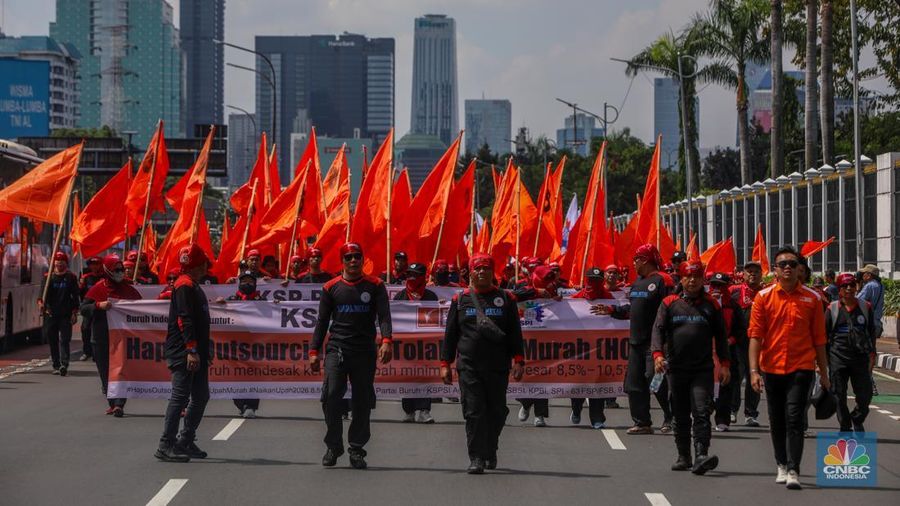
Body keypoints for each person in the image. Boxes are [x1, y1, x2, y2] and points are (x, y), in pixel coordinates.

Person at [748, 246, 830, 490]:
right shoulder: (763, 298)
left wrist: (824, 374)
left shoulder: (813, 299)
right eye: (782, 264)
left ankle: (794, 469)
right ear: (774, 269)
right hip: (772, 367)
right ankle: (781, 464)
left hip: (801, 367)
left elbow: (819, 339)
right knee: (777, 419)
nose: (787, 268)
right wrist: (754, 371)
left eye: (792, 264)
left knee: (795, 417)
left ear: (800, 270)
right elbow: (755, 336)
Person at [310, 242, 393, 469]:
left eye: (357, 256)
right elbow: (322, 322)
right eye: (349, 257)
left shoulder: (375, 285)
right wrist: (313, 351)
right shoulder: (330, 287)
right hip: (337, 350)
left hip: (364, 351)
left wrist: (387, 341)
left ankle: (356, 448)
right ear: (342, 261)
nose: (354, 260)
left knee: (362, 402)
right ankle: (333, 445)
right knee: (331, 397)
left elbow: (384, 316)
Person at [441, 253, 525, 474]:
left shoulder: (506, 299)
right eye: (477, 269)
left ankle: (491, 448)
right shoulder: (460, 300)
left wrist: (519, 360)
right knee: (474, 411)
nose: (481, 272)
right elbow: (450, 334)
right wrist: (445, 363)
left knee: (497, 411)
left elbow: (515, 333)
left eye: (486, 268)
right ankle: (477, 456)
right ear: (471, 273)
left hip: (498, 367)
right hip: (468, 366)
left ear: (492, 272)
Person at [652, 260, 731, 474]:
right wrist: (657, 355)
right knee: (679, 413)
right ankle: (683, 456)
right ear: (681, 278)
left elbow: (721, 337)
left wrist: (725, 364)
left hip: (703, 369)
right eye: (688, 276)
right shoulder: (669, 303)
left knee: (702, 411)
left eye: (697, 276)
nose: (692, 280)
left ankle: (701, 455)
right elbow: (658, 331)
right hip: (676, 369)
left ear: (702, 279)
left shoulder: (711, 305)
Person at [592, 244, 674, 434]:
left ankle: (672, 417)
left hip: (655, 343)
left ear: (644, 260)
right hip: (636, 343)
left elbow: (671, 308)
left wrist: (667, 341)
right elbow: (633, 309)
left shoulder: (664, 280)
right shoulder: (637, 282)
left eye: (636, 259)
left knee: (657, 381)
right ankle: (642, 422)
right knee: (633, 384)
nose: (634, 263)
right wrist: (613, 310)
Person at [155, 244, 213, 462]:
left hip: (196, 350)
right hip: (184, 352)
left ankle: (185, 440)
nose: (208, 266)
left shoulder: (191, 284)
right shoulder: (184, 286)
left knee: (200, 396)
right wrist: (191, 349)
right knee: (180, 397)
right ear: (198, 264)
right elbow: (184, 319)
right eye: (205, 262)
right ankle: (166, 444)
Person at [81, 255, 142, 416]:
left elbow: (142, 308)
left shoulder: (129, 289)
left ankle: (119, 404)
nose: (120, 273)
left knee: (121, 369)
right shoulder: (98, 288)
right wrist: (98, 305)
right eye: (117, 270)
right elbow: (84, 309)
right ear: (108, 270)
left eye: (122, 270)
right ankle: (112, 401)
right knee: (105, 371)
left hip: (123, 338)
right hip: (101, 337)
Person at [826, 273, 876, 433]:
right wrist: (821, 363)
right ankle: (845, 425)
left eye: (852, 285)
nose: (849, 289)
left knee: (865, 395)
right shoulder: (832, 309)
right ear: (839, 290)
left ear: (857, 287)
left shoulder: (865, 307)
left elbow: (871, 333)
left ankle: (857, 417)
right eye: (845, 286)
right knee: (838, 395)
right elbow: (823, 336)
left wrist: (872, 356)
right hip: (837, 358)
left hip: (860, 358)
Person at [514, 265, 559, 427]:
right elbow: (513, 296)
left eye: (549, 279)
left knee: (543, 375)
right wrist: (536, 293)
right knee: (528, 374)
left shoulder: (552, 286)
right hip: (525, 336)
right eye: (544, 279)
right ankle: (526, 403)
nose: (547, 283)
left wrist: (557, 301)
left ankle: (540, 415)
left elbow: (556, 305)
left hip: (546, 336)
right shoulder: (522, 284)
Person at [394, 263, 438, 423]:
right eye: (409, 274)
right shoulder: (400, 297)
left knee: (425, 376)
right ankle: (409, 410)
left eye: (415, 275)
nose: (411, 278)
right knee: (408, 376)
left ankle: (424, 410)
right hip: (406, 345)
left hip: (425, 345)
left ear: (423, 277)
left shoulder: (431, 297)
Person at [569, 267, 613, 429]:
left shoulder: (608, 298)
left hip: (601, 349)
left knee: (598, 384)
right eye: (591, 280)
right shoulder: (576, 298)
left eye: (597, 280)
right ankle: (576, 408)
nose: (593, 283)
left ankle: (597, 418)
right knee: (579, 383)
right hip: (580, 348)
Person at [219, 271, 266, 418]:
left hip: (254, 345)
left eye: (250, 281)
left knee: (253, 375)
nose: (247, 284)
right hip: (235, 346)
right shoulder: (232, 299)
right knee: (235, 376)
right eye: (244, 281)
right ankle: (241, 403)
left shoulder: (261, 300)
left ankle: (251, 405)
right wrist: (220, 304)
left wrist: (277, 305)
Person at [707, 272, 746, 432]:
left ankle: (723, 419)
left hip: (727, 352)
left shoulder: (733, 306)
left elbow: (741, 329)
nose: (718, 289)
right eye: (715, 285)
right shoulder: (702, 303)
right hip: (706, 352)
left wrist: (731, 340)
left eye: (721, 286)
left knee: (726, 384)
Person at [728, 261, 764, 427]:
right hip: (738, 343)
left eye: (756, 271)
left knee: (755, 377)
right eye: (749, 271)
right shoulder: (734, 292)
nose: (753, 274)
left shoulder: (766, 293)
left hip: (759, 343)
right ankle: (732, 410)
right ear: (743, 274)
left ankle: (751, 414)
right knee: (735, 377)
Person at [40, 252, 80, 376]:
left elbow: (75, 297)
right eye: (57, 261)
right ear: (54, 263)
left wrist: (74, 313)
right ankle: (56, 364)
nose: (59, 263)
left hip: (65, 314)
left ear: (65, 263)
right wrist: (42, 305)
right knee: (52, 340)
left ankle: (64, 363)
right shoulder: (48, 278)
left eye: (62, 261)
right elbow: (41, 296)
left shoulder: (71, 277)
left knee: (65, 339)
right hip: (51, 314)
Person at [78, 256, 104, 361]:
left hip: (101, 307)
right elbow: (80, 293)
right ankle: (86, 352)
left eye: (97, 264)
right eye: (92, 264)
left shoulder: (105, 277)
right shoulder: (86, 277)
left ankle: (97, 353)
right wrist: (80, 285)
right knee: (85, 329)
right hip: (89, 307)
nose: (95, 266)